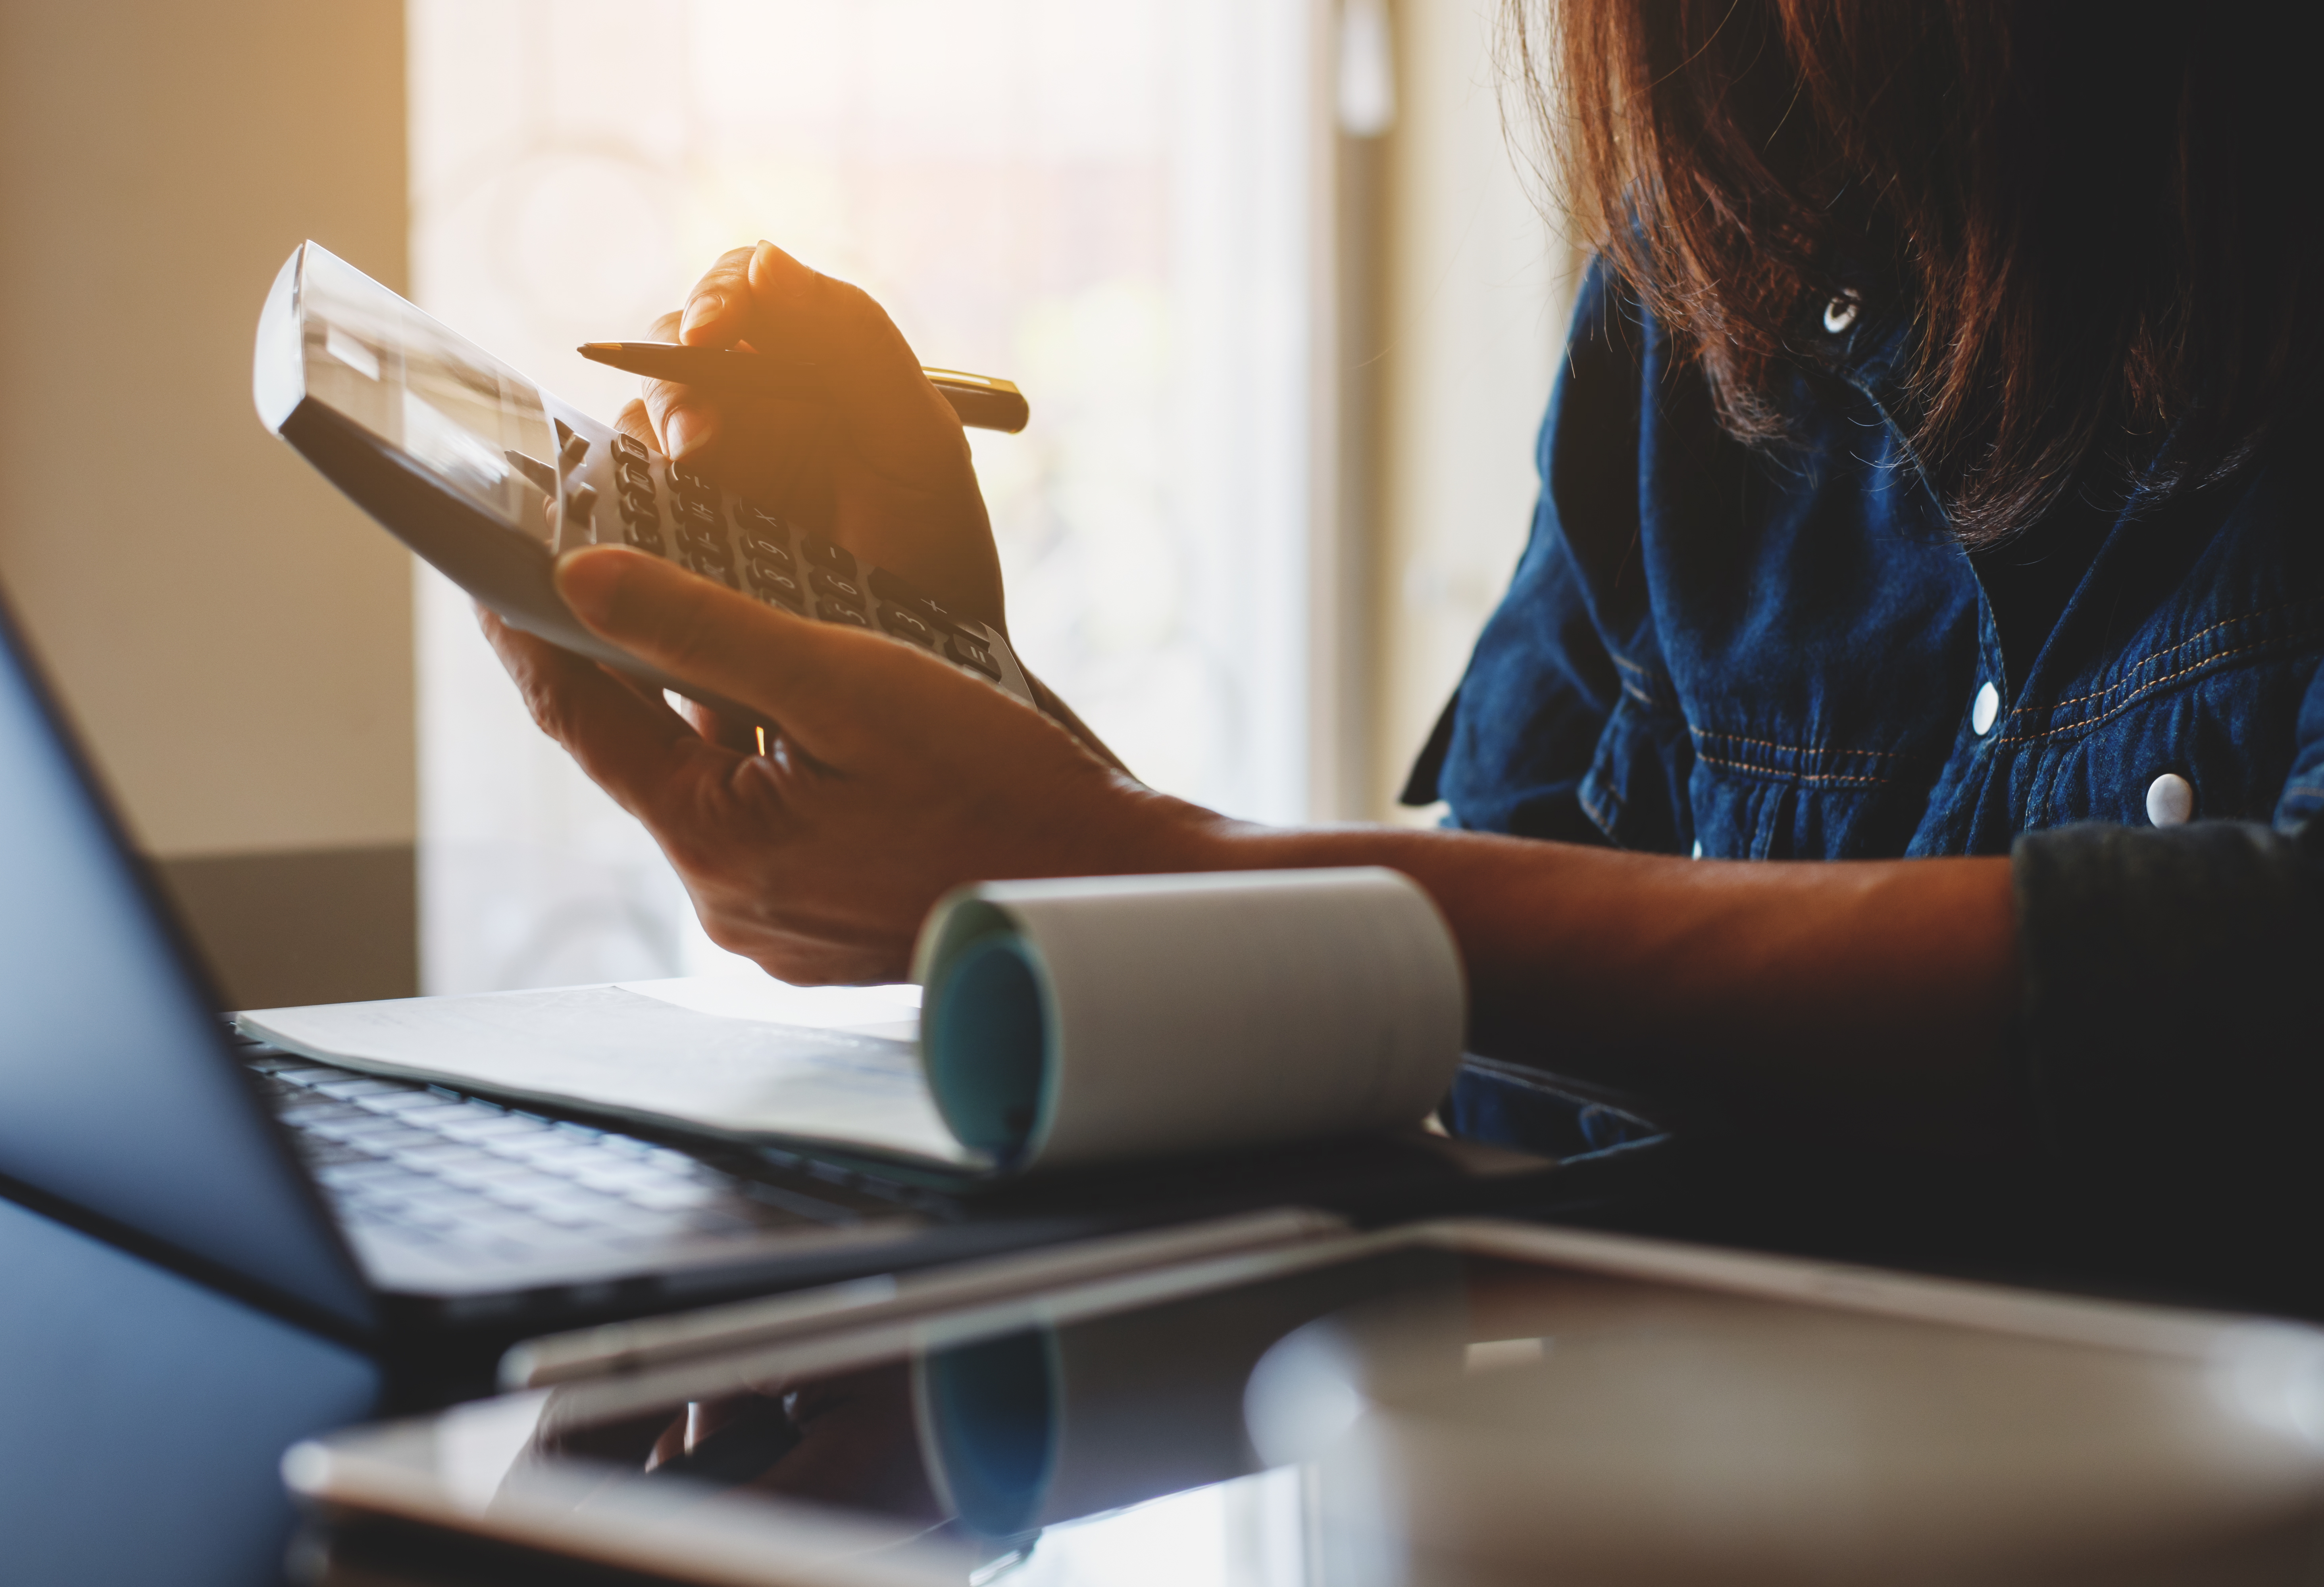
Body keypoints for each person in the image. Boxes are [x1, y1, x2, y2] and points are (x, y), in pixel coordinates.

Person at [482, 0, 2322, 1276]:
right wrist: (1000, 754)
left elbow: (2262, 988)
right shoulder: (1703, 298)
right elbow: (1481, 1027)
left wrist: (1121, 870)